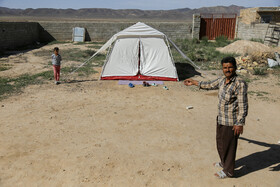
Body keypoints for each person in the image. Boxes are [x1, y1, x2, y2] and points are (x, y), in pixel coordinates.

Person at [184, 56, 248, 179]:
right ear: (222, 69)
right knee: (221, 143)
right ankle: (224, 163)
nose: (227, 70)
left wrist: (240, 123)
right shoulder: (222, 80)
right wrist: (194, 82)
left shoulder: (240, 83)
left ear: (234, 68)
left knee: (229, 146)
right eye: (225, 67)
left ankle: (229, 171)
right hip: (221, 119)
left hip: (231, 121)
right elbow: (209, 84)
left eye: (230, 67)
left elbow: (243, 105)